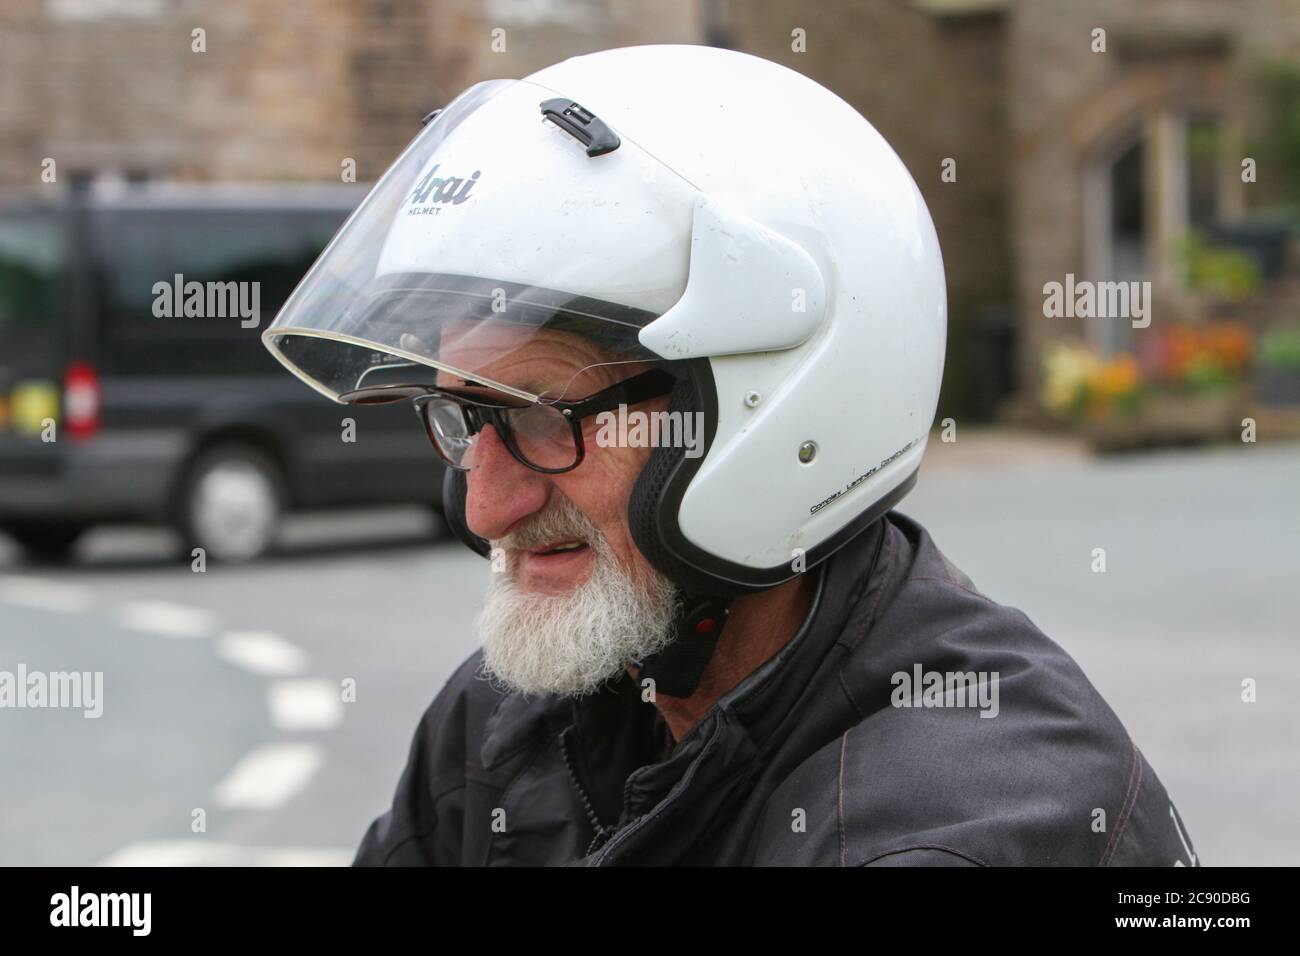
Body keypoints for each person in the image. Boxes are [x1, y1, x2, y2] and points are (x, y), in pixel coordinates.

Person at [262, 45, 1197, 866]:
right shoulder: (504, 727)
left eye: (541, 416)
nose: (483, 507)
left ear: (771, 410)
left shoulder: (964, 826)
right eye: (463, 416)